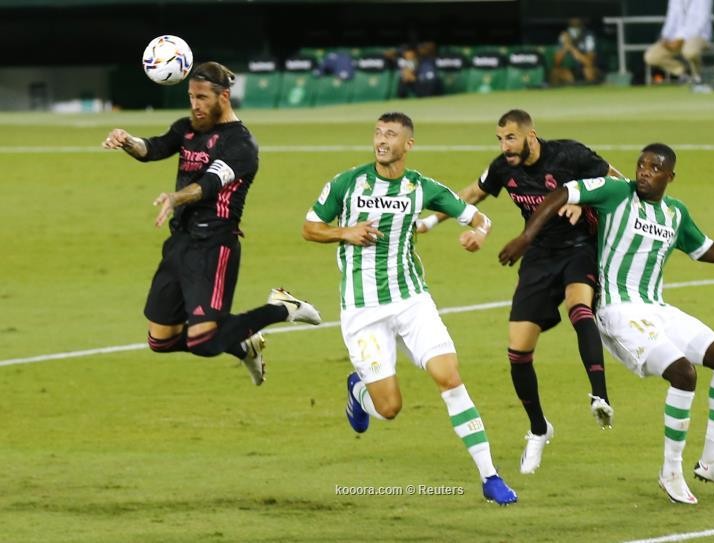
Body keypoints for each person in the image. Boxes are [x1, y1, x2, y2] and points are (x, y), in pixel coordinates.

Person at [499, 143, 714, 504]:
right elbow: (563, 192)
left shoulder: (675, 213)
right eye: (641, 165)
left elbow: (705, 249)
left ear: (670, 176)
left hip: (658, 309)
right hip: (618, 313)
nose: (644, 171)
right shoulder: (615, 193)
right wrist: (527, 237)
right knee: (683, 374)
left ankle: (712, 460)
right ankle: (670, 471)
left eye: (654, 167)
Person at [302, 112, 517, 506]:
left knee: (449, 376)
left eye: (391, 135)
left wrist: (479, 234)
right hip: (362, 310)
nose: (382, 140)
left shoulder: (422, 188)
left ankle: (490, 476)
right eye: (378, 133)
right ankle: (359, 390)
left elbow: (479, 215)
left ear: (409, 144)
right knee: (389, 408)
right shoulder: (347, 183)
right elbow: (310, 226)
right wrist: (344, 232)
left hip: (412, 301)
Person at [417, 109, 620, 475]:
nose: (504, 146)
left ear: (531, 135)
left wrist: (582, 198)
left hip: (579, 248)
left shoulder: (570, 155)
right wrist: (431, 220)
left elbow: (617, 184)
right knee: (517, 351)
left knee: (580, 310)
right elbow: (472, 194)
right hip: (538, 258)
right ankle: (539, 429)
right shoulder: (503, 168)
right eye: (499, 139)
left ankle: (600, 396)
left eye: (510, 138)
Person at [102, 61, 321, 386]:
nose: (195, 104)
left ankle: (282, 309)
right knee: (159, 340)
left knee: (204, 342)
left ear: (224, 96)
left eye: (202, 97)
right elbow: (154, 148)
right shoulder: (187, 129)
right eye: (191, 96)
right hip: (180, 242)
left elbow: (209, 183)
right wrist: (127, 140)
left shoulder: (241, 145)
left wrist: (175, 198)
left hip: (214, 246)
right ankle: (242, 342)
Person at [643, 0, 712, 85]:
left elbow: (700, 21)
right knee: (651, 56)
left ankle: (697, 75)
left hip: (699, 36)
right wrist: (665, 37)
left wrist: (681, 38)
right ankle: (684, 72)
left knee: (689, 51)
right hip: (674, 38)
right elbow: (671, 18)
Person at [550, 18, 602, 85]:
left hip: (587, 69)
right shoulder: (564, 35)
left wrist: (572, 48)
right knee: (555, 72)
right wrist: (565, 48)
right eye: (572, 25)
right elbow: (556, 64)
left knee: (588, 71)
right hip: (572, 70)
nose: (574, 27)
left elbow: (589, 62)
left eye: (576, 25)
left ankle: (592, 93)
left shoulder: (588, 36)